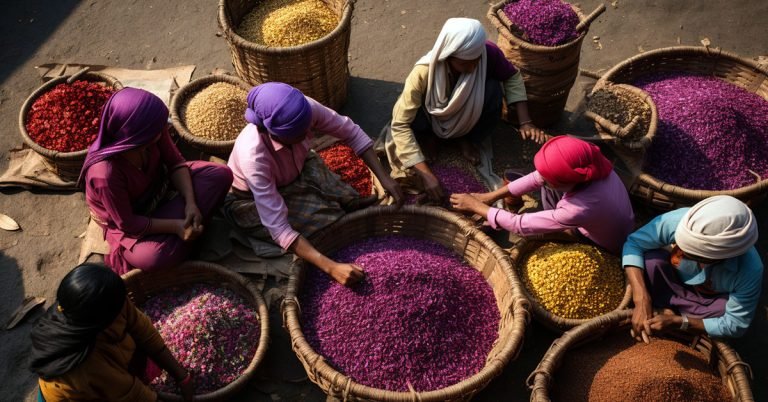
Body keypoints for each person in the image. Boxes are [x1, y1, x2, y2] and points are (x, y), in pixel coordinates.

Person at [225, 82, 404, 287]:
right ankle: (331, 211)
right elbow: (279, 228)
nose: (308, 133)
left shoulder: (305, 110)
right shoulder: (254, 157)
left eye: (307, 127)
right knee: (328, 221)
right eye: (296, 134)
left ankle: (344, 202)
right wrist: (331, 267)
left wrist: (384, 177)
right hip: (250, 201)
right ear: (271, 131)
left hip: (298, 168)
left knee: (340, 193)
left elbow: (350, 132)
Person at [378, 17, 548, 203]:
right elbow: (400, 125)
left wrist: (525, 122)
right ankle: (431, 137)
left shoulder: (487, 52)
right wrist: (426, 174)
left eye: (476, 61)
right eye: (465, 63)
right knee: (412, 115)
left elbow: (512, 77)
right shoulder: (423, 72)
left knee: (493, 90)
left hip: (469, 116)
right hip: (431, 119)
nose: (473, 66)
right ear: (448, 55)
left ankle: (466, 138)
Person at [78, 88, 233, 275]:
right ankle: (186, 234)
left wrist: (191, 204)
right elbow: (128, 224)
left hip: (159, 190)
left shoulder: (152, 131)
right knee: (152, 258)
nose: (163, 130)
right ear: (134, 137)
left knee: (220, 174)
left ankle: (187, 233)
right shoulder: (105, 173)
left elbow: (176, 163)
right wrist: (176, 227)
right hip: (134, 218)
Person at [30, 264, 194, 401]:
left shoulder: (105, 303)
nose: (125, 305)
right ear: (102, 321)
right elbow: (131, 394)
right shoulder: (83, 365)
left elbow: (143, 330)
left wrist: (181, 375)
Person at [450, 136, 634, 255]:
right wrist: (490, 197)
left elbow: (518, 225)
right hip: (611, 219)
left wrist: (476, 206)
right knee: (525, 179)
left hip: (602, 241)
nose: (541, 179)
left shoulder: (579, 208)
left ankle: (566, 234)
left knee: (532, 232)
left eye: (548, 179)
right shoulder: (592, 164)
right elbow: (538, 177)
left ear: (566, 181)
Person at [622, 195, 762, 340]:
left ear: (721, 258)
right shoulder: (680, 221)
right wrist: (641, 298)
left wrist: (681, 322)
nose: (684, 255)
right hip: (673, 281)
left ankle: (675, 316)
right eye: (683, 250)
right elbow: (634, 244)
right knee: (651, 262)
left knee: (721, 311)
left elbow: (735, 324)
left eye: (696, 257)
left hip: (706, 300)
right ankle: (664, 306)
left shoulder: (750, 269)